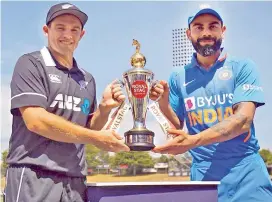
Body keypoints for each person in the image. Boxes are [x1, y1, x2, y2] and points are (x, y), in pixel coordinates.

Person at [5, 2, 129, 202]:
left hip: (75, 180)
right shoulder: (30, 64)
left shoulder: (87, 79)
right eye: (60, 28)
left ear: (82, 35)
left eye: (74, 30)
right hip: (34, 175)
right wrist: (96, 138)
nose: (68, 35)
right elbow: (36, 120)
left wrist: (104, 110)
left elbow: (88, 128)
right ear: (46, 30)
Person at [150, 7, 272, 202]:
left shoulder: (242, 67)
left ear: (223, 30)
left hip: (246, 173)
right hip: (203, 175)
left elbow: (243, 120)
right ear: (188, 34)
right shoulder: (178, 76)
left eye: (212, 26)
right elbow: (176, 126)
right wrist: (163, 103)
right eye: (198, 27)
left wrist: (193, 141)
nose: (206, 33)